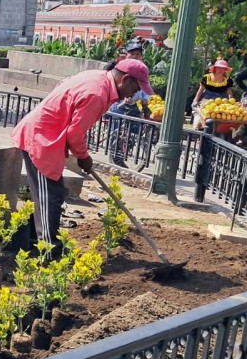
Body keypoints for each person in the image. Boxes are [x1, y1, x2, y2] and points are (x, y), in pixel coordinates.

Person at [12, 58, 150, 254]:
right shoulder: (97, 92)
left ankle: (38, 243)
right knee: (48, 197)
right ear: (125, 79)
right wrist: (83, 157)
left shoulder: (98, 78)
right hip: (42, 138)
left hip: (49, 137)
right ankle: (48, 252)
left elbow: (62, 87)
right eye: (135, 88)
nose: (136, 93)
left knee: (54, 193)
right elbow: (75, 134)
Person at [192, 59, 235, 129]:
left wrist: (231, 102)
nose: (221, 70)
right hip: (206, 100)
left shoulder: (228, 80)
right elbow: (200, 90)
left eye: (223, 68)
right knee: (200, 116)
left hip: (220, 102)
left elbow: (229, 93)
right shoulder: (206, 78)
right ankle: (198, 127)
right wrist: (196, 100)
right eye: (219, 68)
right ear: (215, 68)